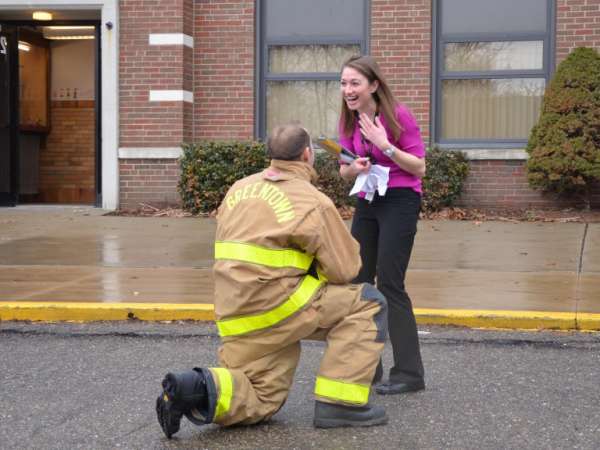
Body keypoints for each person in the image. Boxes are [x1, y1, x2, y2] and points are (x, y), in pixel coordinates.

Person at [155, 123, 389, 439]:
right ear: (307, 154)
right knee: (369, 303)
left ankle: (189, 388)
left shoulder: (238, 189)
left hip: (235, 315)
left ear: (270, 155)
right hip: (280, 310)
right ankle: (340, 404)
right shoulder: (312, 201)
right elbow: (345, 269)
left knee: (262, 398)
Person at [338, 55, 426, 395]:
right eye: (344, 83)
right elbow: (343, 169)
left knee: (390, 284)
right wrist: (354, 167)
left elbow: (418, 167)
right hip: (368, 199)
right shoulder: (348, 120)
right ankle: (366, 368)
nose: (348, 90)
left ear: (373, 85)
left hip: (401, 200)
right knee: (358, 281)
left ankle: (409, 373)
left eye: (354, 83)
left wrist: (383, 145)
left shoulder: (397, 115)